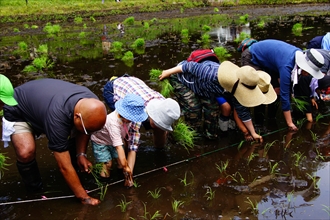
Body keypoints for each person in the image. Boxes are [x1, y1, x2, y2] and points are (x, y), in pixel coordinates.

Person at [2, 78, 107, 206]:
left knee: (75, 137)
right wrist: (84, 198)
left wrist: (81, 154)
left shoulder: (92, 103)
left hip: (44, 107)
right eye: (87, 129)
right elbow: (63, 166)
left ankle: (77, 173)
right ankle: (34, 190)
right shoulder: (57, 118)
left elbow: (85, 130)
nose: (88, 133)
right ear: (77, 117)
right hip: (19, 109)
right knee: (26, 152)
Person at [160, 60, 276, 142]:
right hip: (183, 79)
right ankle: (188, 136)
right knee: (194, 109)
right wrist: (167, 72)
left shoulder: (236, 89)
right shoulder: (212, 74)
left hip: (207, 89)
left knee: (212, 111)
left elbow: (242, 111)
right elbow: (188, 66)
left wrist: (253, 133)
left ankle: (210, 138)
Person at [241, 39, 325, 131]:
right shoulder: (287, 66)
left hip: (271, 62)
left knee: (276, 90)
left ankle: (271, 119)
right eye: (309, 72)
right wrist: (290, 123)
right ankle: (258, 125)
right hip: (252, 57)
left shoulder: (300, 56)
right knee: (261, 90)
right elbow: (284, 95)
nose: (309, 75)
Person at [103, 75, 180, 174]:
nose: (158, 125)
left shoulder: (166, 106)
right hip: (114, 89)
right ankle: (122, 157)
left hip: (134, 84)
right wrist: (128, 172)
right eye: (157, 122)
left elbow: (160, 126)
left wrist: (160, 149)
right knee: (124, 128)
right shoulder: (134, 115)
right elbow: (132, 146)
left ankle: (159, 149)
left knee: (159, 130)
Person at [91, 94, 148, 187]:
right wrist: (126, 167)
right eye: (131, 118)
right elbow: (118, 147)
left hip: (115, 140)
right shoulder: (113, 122)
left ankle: (119, 176)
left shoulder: (128, 119)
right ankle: (104, 184)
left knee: (120, 163)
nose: (133, 120)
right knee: (107, 164)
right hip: (101, 142)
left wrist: (124, 167)